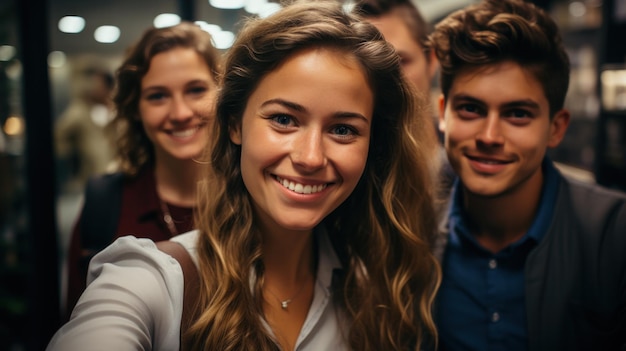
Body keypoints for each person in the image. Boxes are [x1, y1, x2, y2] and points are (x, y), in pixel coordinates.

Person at [47, 1, 442, 350]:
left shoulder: (372, 287)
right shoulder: (155, 280)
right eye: (284, 119)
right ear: (235, 123)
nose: (309, 157)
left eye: (343, 129)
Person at [429, 0, 626, 350]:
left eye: (517, 114)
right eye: (471, 109)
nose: (489, 136)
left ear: (556, 127)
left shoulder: (613, 235)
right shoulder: (412, 231)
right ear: (444, 114)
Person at [62, 21, 221, 320]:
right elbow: (76, 319)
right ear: (135, 108)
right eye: (158, 96)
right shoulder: (106, 204)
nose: (181, 113)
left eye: (196, 90)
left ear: (222, 95)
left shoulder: (255, 198)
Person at [54, 55, 116, 194]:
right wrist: (73, 157)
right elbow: (60, 136)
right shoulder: (80, 111)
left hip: (119, 176)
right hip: (93, 178)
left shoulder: (117, 111)